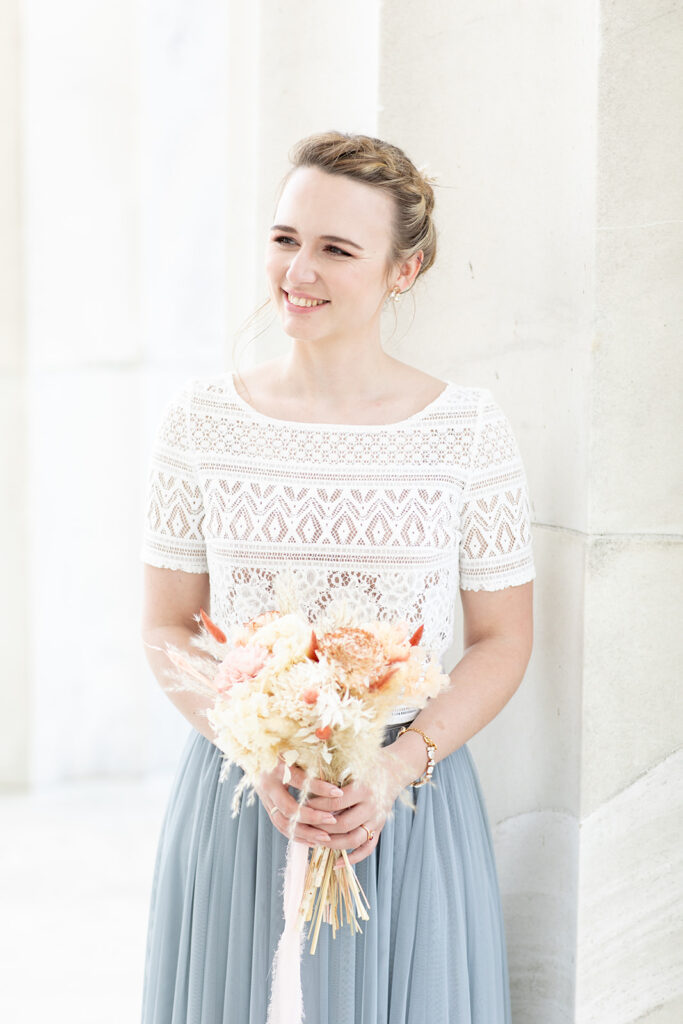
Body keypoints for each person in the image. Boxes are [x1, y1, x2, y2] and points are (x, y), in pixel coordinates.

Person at [139, 130, 535, 1023]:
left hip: (404, 806)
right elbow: (166, 627)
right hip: (242, 798)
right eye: (285, 238)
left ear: (405, 269)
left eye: (335, 248)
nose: (297, 270)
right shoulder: (199, 423)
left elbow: (503, 639)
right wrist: (255, 747)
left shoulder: (466, 432)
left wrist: (395, 769)